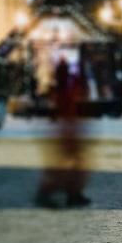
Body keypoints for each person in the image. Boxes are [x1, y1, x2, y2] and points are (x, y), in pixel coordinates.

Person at [36, 57, 90, 208]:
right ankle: (59, 193)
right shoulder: (64, 89)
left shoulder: (62, 88)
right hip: (66, 128)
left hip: (66, 127)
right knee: (70, 165)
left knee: (72, 164)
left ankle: (71, 193)